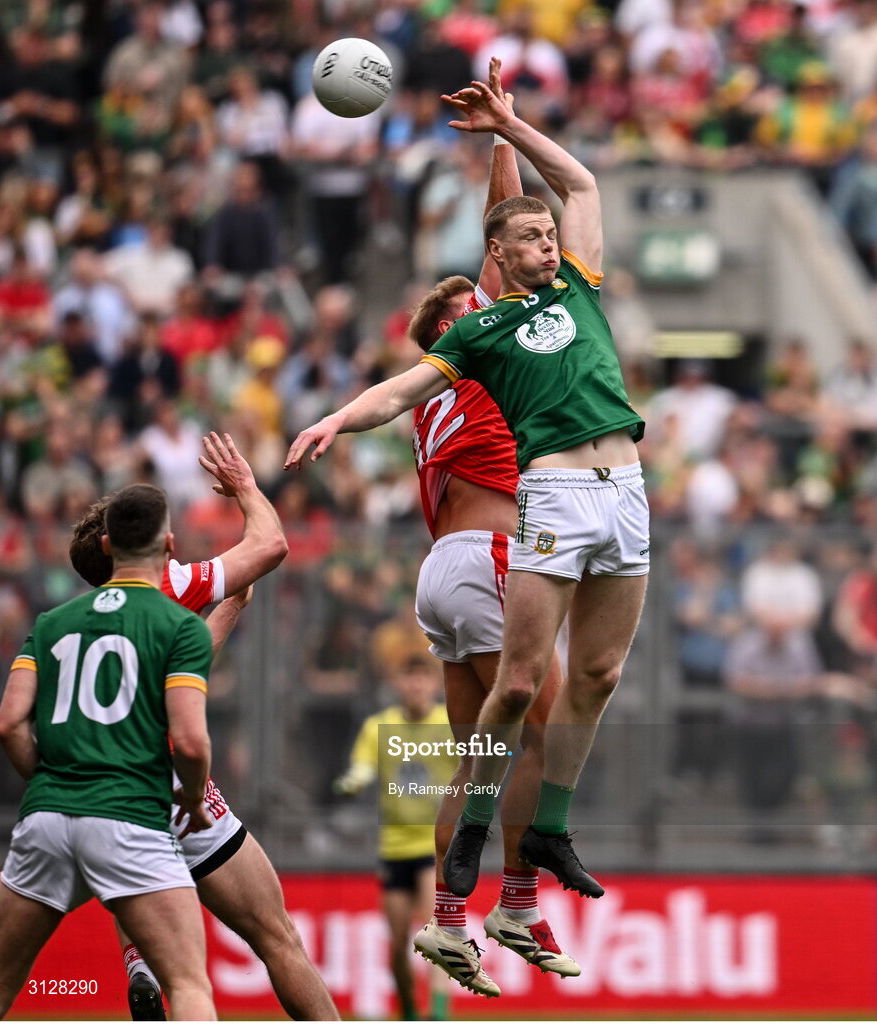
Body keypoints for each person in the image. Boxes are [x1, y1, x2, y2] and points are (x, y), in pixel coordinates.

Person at [285, 68, 648, 903]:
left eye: (549, 236)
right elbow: (403, 389)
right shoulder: (483, 335)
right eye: (527, 240)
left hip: (623, 492)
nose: (546, 243)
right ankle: (489, 855)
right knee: (523, 691)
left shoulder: (580, 288)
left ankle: (517, 858)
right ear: (495, 263)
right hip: (548, 498)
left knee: (596, 680)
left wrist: (507, 127)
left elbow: (571, 186)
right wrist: (336, 419)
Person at [404, 61, 580, 995]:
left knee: (479, 757)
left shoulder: (436, 395)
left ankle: (447, 923)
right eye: (472, 299)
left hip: (444, 568)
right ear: (451, 325)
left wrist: (498, 140)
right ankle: (514, 899)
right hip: (491, 560)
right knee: (539, 740)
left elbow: (494, 251)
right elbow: (502, 245)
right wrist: (503, 137)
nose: (490, 297)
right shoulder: (473, 353)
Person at [68, 433, 339, 1022]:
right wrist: (244, 486)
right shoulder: (169, 586)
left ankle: (136, 954)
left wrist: (234, 608)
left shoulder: (70, 624)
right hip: (171, 783)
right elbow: (270, 545)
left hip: (101, 792)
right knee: (275, 939)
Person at [0, 484, 216, 1021]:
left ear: (105, 546)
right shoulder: (178, 626)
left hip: (44, 819)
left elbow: (9, 724)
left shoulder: (50, 623)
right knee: (188, 985)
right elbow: (193, 741)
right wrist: (196, 798)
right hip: (129, 816)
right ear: (170, 543)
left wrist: (52, 780)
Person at [335, 655, 457, 1021]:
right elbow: (363, 764)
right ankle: (408, 1012)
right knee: (399, 944)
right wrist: (353, 782)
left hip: (433, 846)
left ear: (435, 685)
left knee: (437, 935)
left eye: (423, 679)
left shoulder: (449, 726)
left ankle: (438, 1014)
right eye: (409, 677)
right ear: (398, 683)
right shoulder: (379, 726)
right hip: (393, 848)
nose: (416, 686)